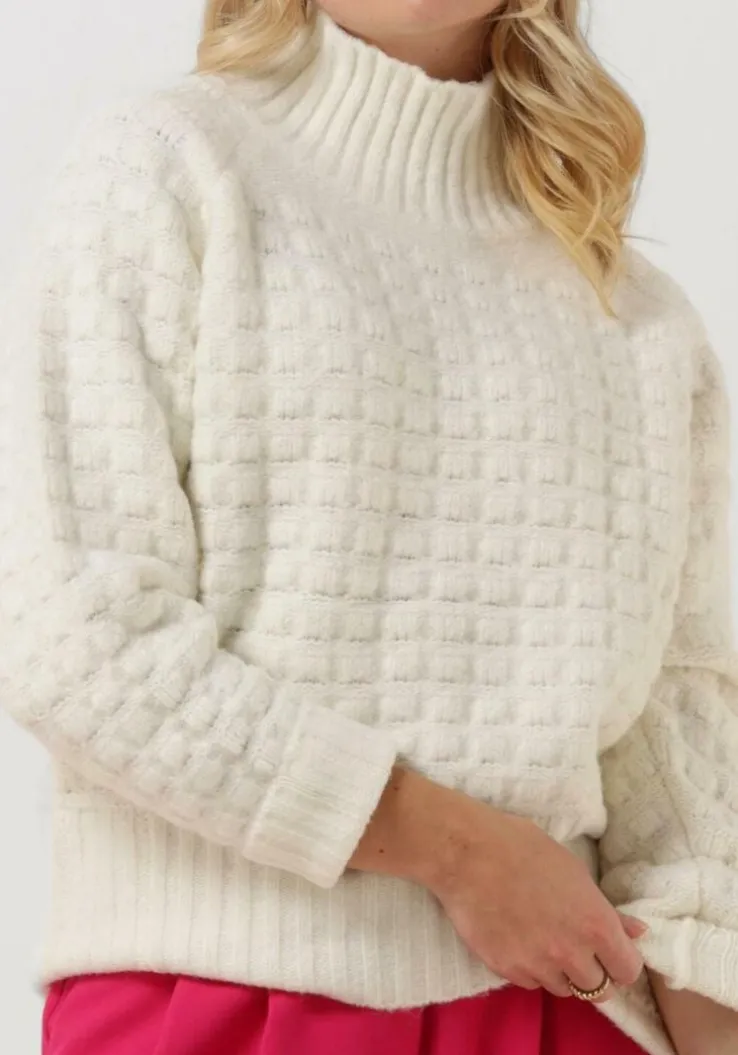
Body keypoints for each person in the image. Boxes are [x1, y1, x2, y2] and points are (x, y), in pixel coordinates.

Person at [1, 1, 737, 1053]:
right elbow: (70, 626)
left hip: (570, 1011)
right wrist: (457, 850)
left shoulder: (639, 317)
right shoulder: (169, 170)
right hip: (217, 999)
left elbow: (683, 743)